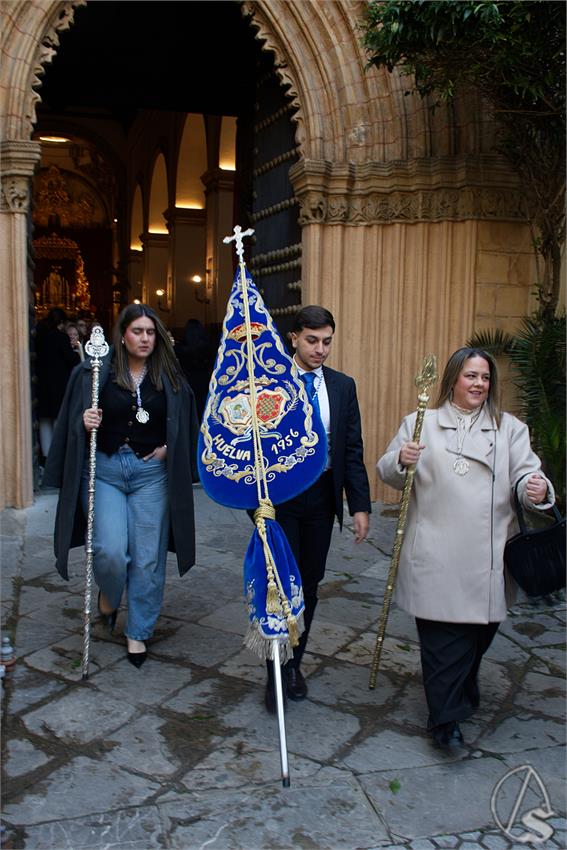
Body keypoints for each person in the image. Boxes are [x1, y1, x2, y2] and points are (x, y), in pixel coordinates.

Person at [377, 347, 555, 749]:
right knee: (442, 642)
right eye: (470, 376)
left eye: (485, 378)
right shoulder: (421, 421)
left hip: (487, 558)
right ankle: (445, 722)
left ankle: (461, 689)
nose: (479, 384)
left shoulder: (509, 428)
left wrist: (538, 489)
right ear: (453, 380)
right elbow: (387, 470)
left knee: (477, 637)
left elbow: (528, 473)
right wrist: (401, 460)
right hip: (435, 553)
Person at [44, 303, 199, 668]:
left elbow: (185, 422)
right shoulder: (92, 372)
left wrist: (166, 449)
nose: (144, 339)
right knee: (110, 549)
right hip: (105, 471)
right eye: (137, 331)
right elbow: (69, 423)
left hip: (150, 476)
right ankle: (110, 597)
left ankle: (138, 632)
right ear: (122, 334)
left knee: (147, 559)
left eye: (150, 332)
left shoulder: (171, 376)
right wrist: (85, 421)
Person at [263, 305, 371, 712]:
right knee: (279, 584)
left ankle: (293, 664)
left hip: (322, 497)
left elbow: (352, 448)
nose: (320, 349)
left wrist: (359, 505)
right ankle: (274, 671)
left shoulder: (343, 387)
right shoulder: (270, 384)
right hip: (281, 499)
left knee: (308, 584)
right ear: (294, 338)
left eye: (327, 341)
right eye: (312, 340)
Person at [35, 307, 80, 461]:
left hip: (41, 384)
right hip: (58, 385)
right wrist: (76, 352)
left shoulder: (39, 336)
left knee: (44, 421)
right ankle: (57, 456)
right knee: (57, 421)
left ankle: (45, 456)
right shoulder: (60, 337)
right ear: (61, 323)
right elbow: (72, 360)